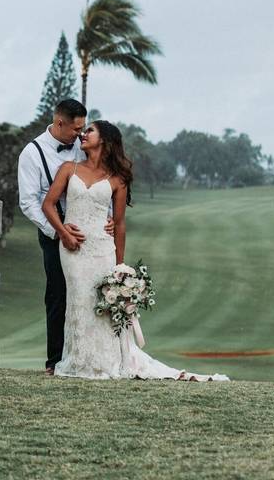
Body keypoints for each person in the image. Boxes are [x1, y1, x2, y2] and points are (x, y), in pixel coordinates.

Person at [41, 120, 228, 381]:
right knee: (78, 300)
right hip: (73, 250)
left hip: (102, 249)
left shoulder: (117, 178)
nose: (83, 134)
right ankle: (78, 361)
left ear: (104, 140)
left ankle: (106, 362)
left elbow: (119, 223)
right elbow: (48, 205)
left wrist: (120, 267)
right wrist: (63, 232)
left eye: (90, 130)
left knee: (102, 306)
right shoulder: (68, 169)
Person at [17, 99, 113, 375]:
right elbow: (29, 202)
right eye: (76, 129)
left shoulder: (84, 148)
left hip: (92, 235)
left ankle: (93, 355)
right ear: (60, 123)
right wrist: (58, 232)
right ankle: (55, 361)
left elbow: (100, 180)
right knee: (58, 293)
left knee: (94, 291)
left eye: (84, 129)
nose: (80, 135)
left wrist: (106, 218)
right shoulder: (32, 153)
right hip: (53, 232)